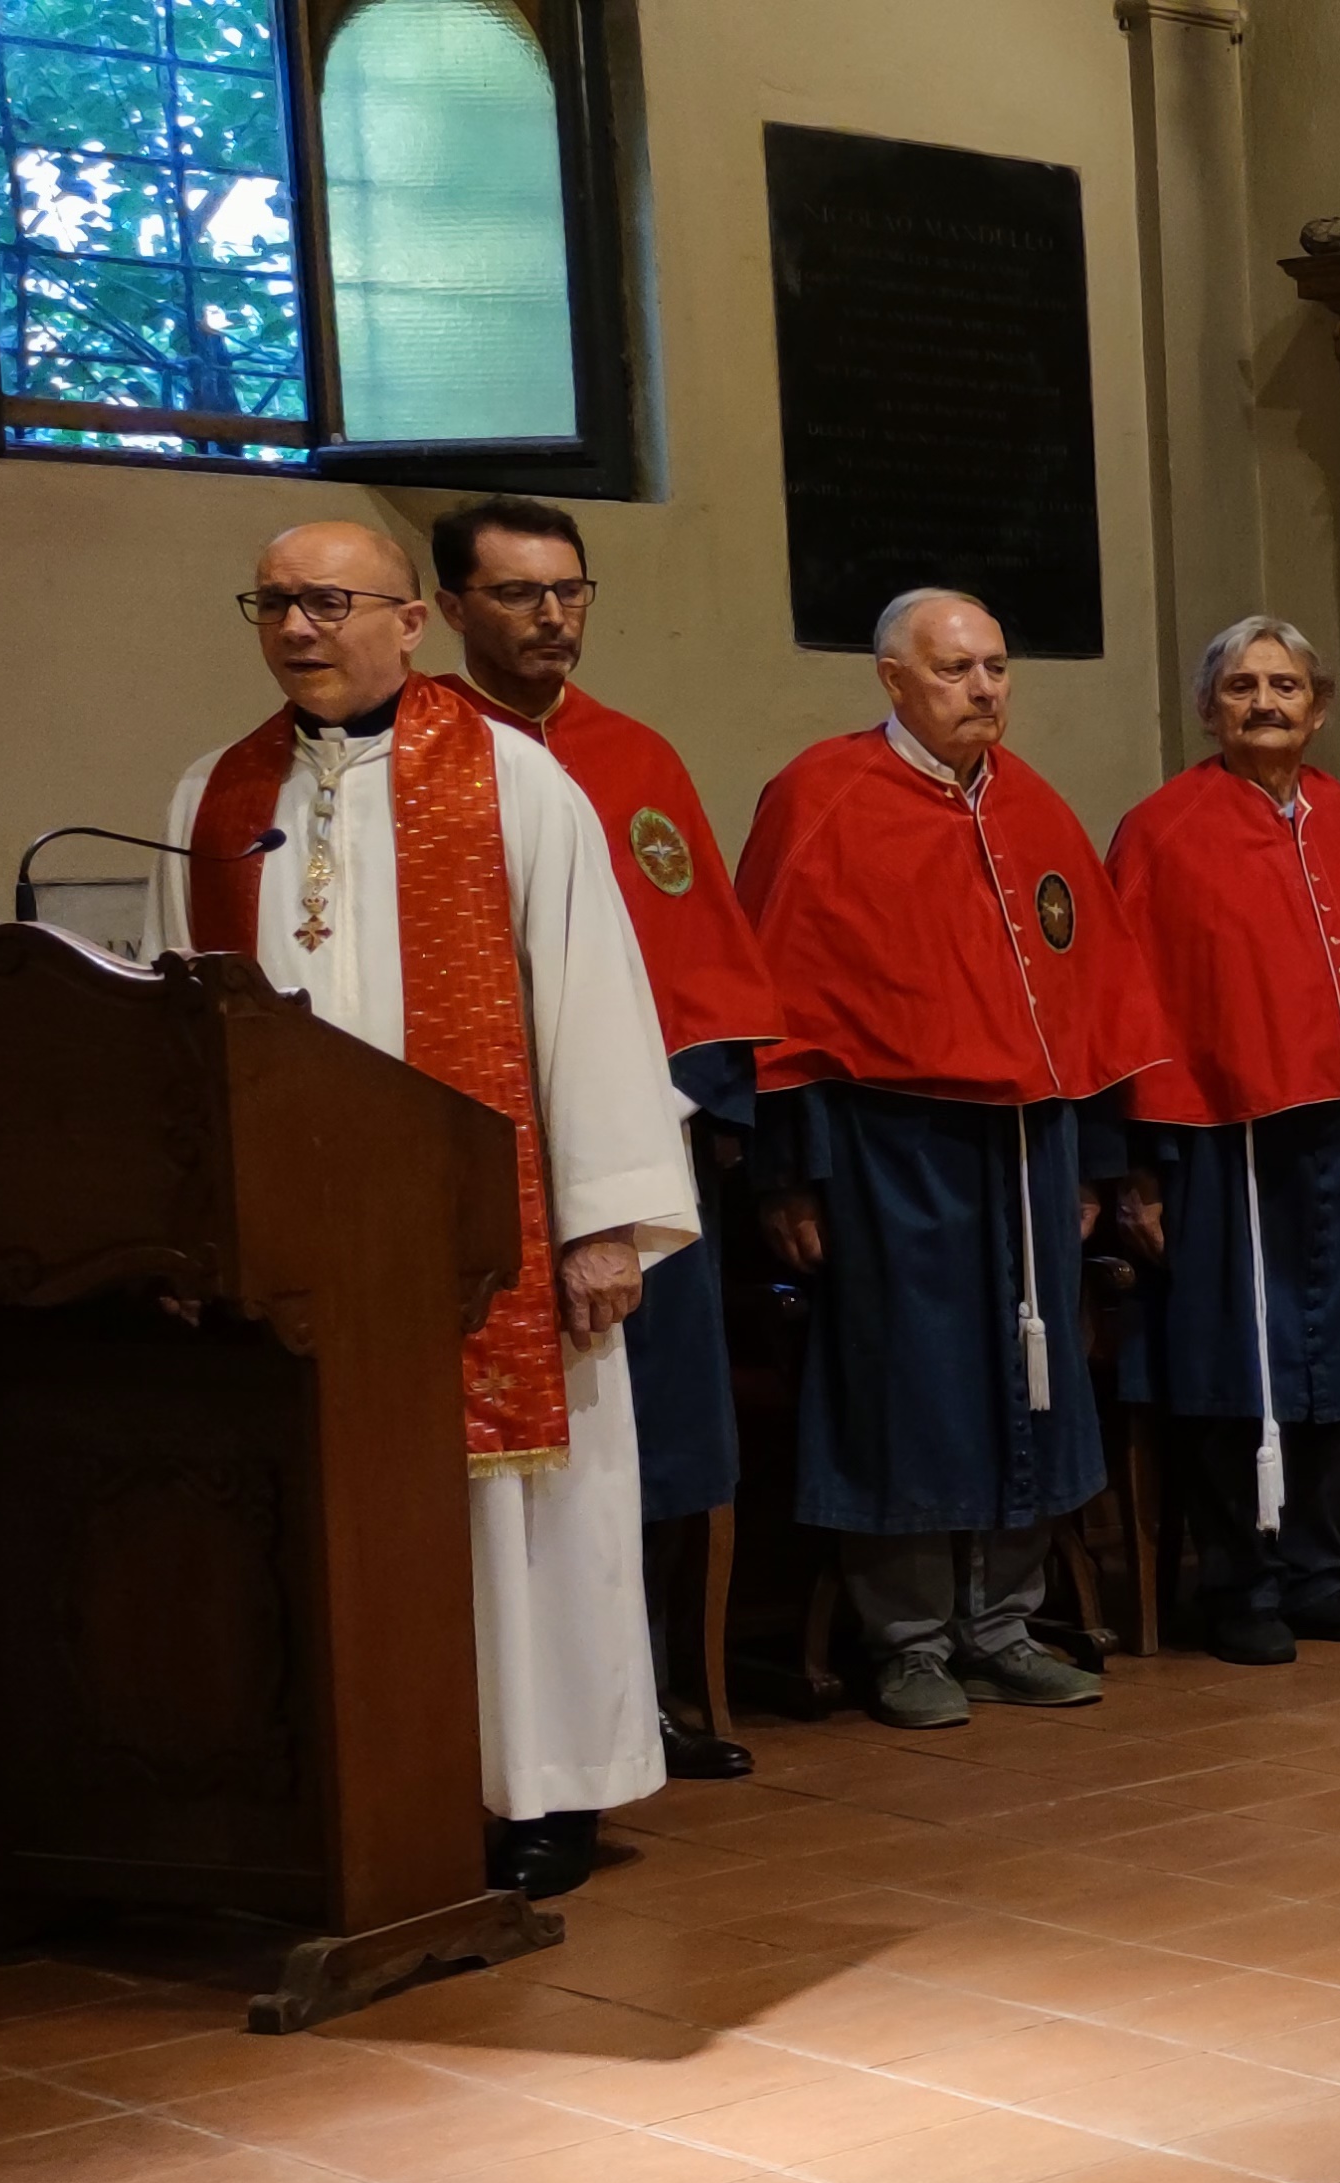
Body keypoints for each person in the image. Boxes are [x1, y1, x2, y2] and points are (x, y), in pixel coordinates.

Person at [158, 522, 693, 1900]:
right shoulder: (209, 801)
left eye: (330, 603)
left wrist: (600, 1221)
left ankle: (541, 1792)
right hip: (301, 1242)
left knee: (517, 1522)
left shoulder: (514, 781)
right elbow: (176, 1033)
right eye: (272, 602)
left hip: (481, 1237)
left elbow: (591, 1001)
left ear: (410, 621)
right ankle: (355, 1780)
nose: (297, 629)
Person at [737, 590, 1169, 1728]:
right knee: (909, 1387)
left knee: (1030, 1383)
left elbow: (1096, 1005)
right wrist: (789, 1174)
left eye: (996, 667)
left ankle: (1006, 1623)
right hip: (890, 1148)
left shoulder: (1033, 807)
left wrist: (1091, 1165)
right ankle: (911, 1640)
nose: (983, 689)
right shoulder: (821, 797)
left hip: (1027, 1147)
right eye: (954, 670)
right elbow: (778, 1007)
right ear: (892, 681)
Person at [430, 494, 768, 1782]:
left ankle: (670, 1697)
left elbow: (706, 960)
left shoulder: (637, 757)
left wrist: (714, 1125)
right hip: (485, 1168)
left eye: (570, 591)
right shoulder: (427, 760)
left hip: (641, 1160)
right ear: (451, 609)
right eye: (519, 594)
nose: (552, 616)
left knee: (671, 1438)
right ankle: (531, 1720)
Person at [1102, 618, 1340, 1664]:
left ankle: (1320, 1571)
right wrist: (1142, 1171)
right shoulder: (1162, 832)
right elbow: (1132, 1004)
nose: (1264, 703)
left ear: (1318, 707)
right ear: (1206, 707)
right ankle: (1241, 1586)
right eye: (1240, 686)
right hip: (1228, 1148)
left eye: (1285, 686)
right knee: (1239, 1374)